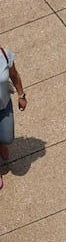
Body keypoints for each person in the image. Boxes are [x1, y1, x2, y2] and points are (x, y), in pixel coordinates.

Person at [0, 46, 27, 189]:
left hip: (4, 105)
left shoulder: (4, 54)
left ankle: (1, 144)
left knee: (7, 138)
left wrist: (21, 95)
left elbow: (14, 75)